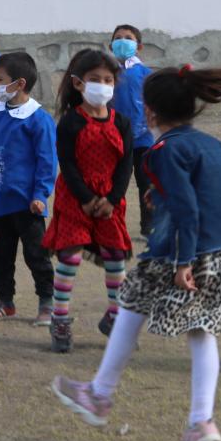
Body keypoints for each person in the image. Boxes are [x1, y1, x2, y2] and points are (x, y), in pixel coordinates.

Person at [51, 62, 221, 441]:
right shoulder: (209, 143)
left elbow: (186, 210)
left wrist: (184, 261)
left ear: (148, 111)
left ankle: (99, 394)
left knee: (131, 304)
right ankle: (201, 423)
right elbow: (208, 193)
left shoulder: (164, 151)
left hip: (183, 251)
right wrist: (161, 197)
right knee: (200, 330)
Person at [44, 49, 134, 353]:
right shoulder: (70, 122)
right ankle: (60, 318)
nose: (103, 85)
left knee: (115, 257)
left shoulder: (122, 122)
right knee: (69, 257)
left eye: (108, 80)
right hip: (75, 197)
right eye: (95, 79)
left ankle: (116, 317)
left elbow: (126, 165)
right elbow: (67, 164)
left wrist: (112, 198)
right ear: (78, 83)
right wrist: (85, 198)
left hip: (110, 200)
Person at [0, 52, 57, 326]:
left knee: (37, 256)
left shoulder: (38, 119)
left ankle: (47, 303)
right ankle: (5, 302)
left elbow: (47, 161)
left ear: (19, 84)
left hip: (26, 205)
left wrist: (40, 194)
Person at [109, 24, 155, 238]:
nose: (122, 41)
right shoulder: (107, 74)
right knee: (115, 183)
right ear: (111, 45)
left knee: (146, 183)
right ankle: (112, 224)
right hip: (114, 139)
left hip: (144, 139)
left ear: (139, 46)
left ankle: (149, 226)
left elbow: (154, 103)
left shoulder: (146, 74)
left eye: (128, 38)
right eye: (118, 38)